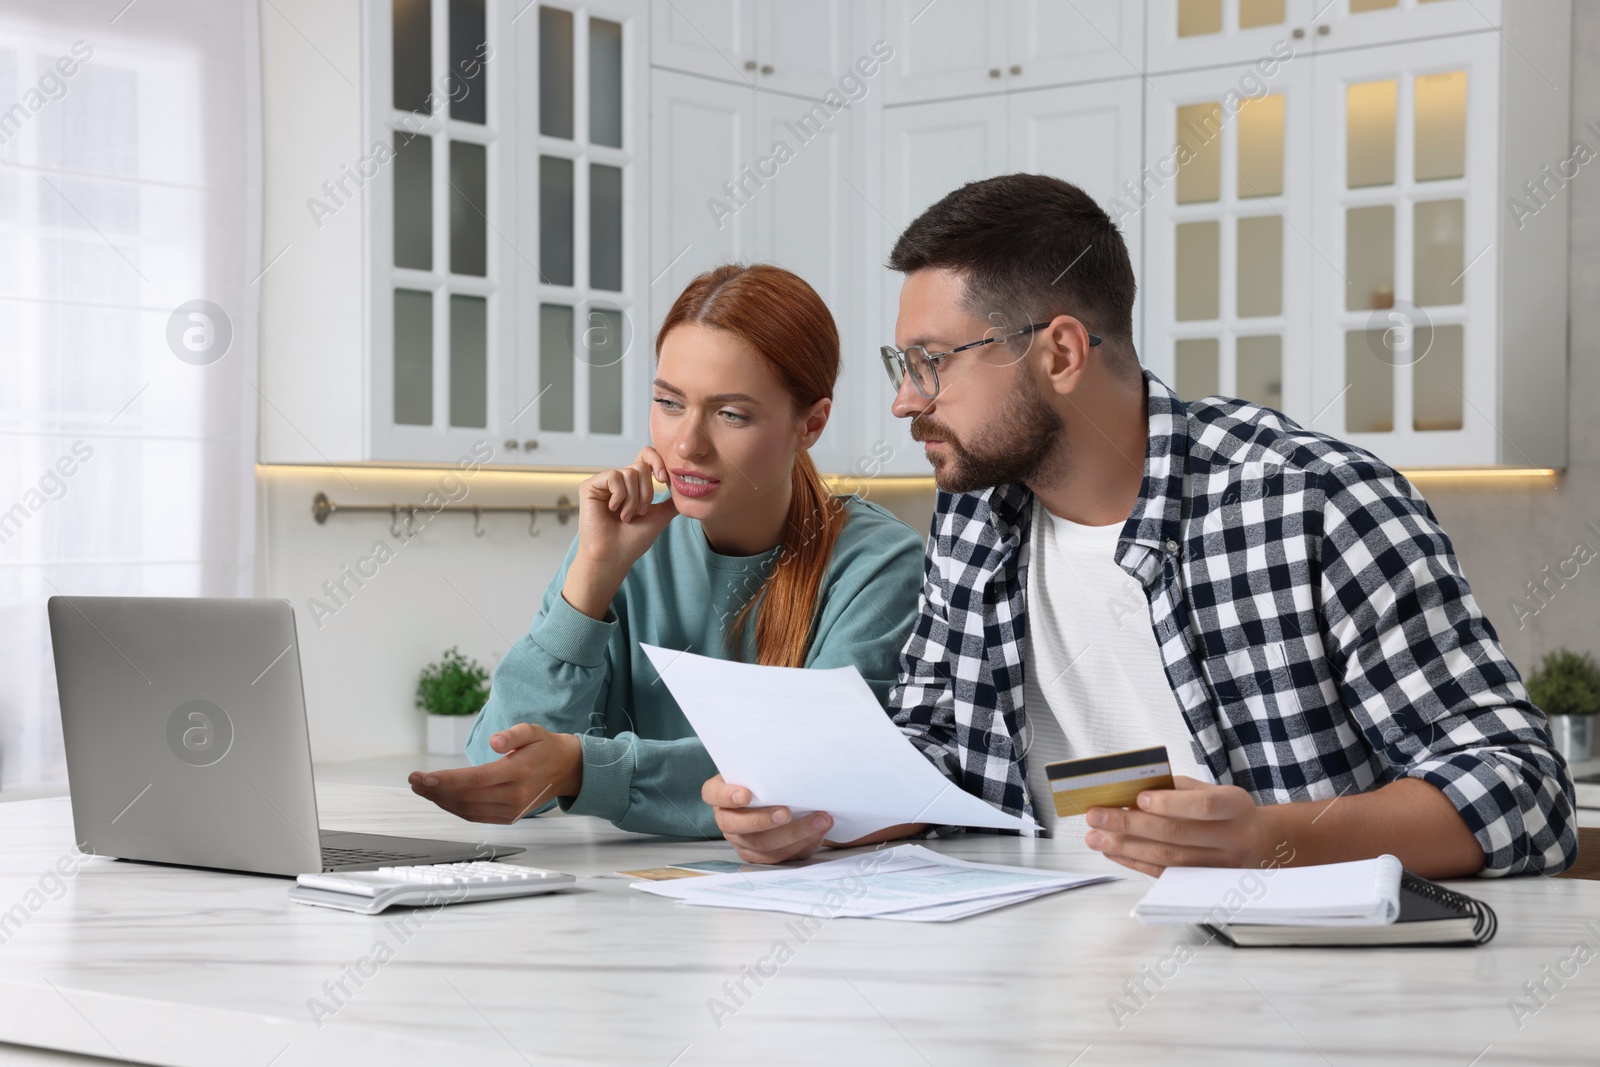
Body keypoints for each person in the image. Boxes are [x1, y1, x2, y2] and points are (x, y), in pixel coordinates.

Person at [705, 173, 1577, 878]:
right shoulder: (974, 515)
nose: (905, 399)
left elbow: (1524, 788)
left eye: (932, 363)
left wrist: (1271, 839)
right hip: (1033, 979)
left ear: (1061, 353)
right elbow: (946, 756)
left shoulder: (1311, 503)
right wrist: (819, 816)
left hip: (1297, 997)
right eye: (905, 364)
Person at [409, 264, 924, 841]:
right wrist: (593, 577)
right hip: (627, 903)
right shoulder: (621, 542)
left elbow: (820, 774)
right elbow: (498, 772)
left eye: (731, 414)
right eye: (670, 402)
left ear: (811, 424)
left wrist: (586, 769)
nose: (687, 444)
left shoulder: (877, 563)